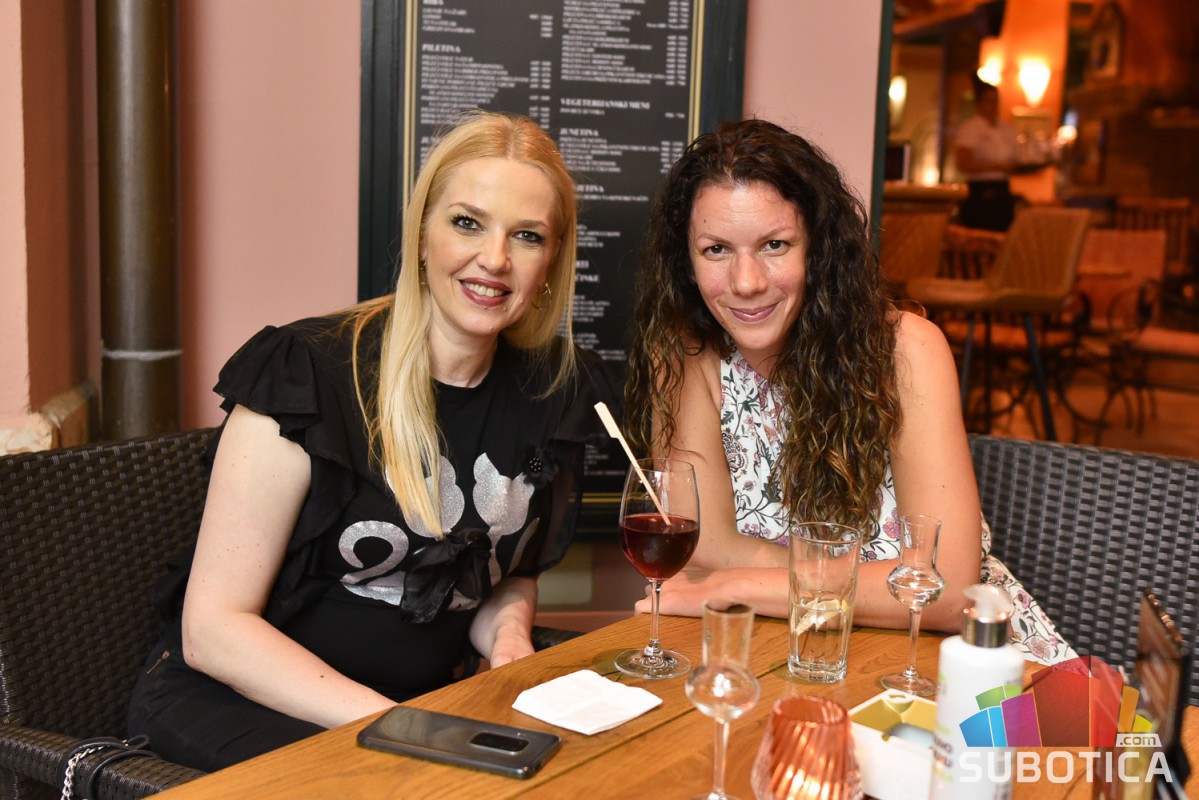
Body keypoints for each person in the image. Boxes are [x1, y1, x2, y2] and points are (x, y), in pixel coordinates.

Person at [127, 111, 618, 771]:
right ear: (422, 236)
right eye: (467, 223)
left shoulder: (548, 394)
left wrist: (507, 637)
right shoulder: (307, 374)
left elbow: (501, 572)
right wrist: (407, 727)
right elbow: (213, 631)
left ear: (551, 260)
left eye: (526, 235)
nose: (495, 259)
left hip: (419, 715)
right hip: (238, 705)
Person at [624, 118, 1073, 665]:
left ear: (819, 247)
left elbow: (945, 589)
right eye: (716, 249)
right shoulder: (686, 355)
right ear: (686, 260)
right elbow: (705, 549)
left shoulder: (906, 350)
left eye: (775, 245)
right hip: (791, 647)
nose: (746, 282)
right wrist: (869, 582)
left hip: (955, 661)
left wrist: (738, 585)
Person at [954, 81, 1021, 231]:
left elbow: (1016, 159)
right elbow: (962, 163)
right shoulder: (970, 129)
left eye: (996, 101)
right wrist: (997, 166)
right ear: (978, 104)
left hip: (1002, 188)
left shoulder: (1007, 129)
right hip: (980, 189)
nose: (993, 105)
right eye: (989, 101)